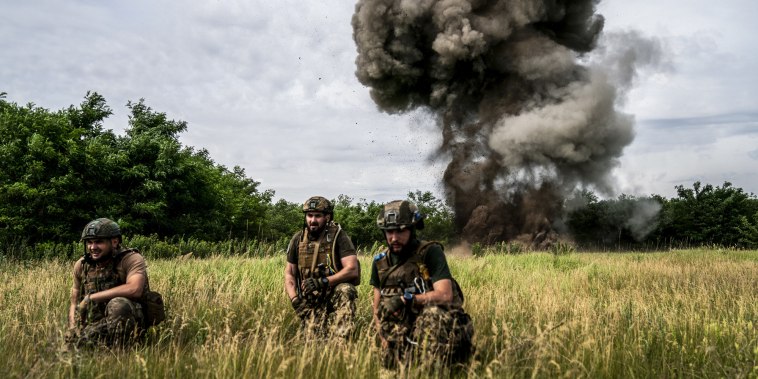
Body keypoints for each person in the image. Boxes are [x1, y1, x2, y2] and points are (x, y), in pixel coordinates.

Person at [370, 200, 474, 368]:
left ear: (412, 229)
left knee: (432, 315)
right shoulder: (380, 262)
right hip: (402, 330)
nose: (394, 237)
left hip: (439, 329)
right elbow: (377, 309)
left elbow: (445, 295)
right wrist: (384, 339)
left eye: (400, 230)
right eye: (389, 232)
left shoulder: (430, 253)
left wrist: (407, 300)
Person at [66, 218, 164, 347]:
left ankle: (122, 351)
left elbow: (135, 289)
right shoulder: (82, 265)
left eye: (99, 242)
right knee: (73, 343)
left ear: (114, 242)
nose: (93, 247)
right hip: (97, 323)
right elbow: (75, 302)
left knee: (118, 304)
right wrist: (73, 327)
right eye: (89, 242)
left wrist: (91, 298)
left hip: (131, 320)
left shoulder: (131, 259)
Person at [284, 196, 361, 338]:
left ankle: (342, 340)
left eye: (317, 216)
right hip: (311, 298)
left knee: (346, 290)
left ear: (327, 217)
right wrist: (295, 300)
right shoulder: (298, 239)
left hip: (333, 293)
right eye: (309, 215)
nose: (312, 220)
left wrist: (323, 282)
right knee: (311, 343)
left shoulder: (339, 236)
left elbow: (352, 269)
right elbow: (289, 273)